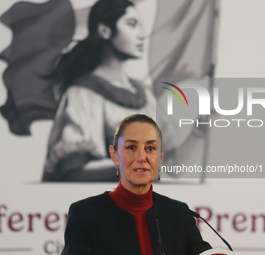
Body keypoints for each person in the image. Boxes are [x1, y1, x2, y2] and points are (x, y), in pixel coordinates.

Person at [42, 0, 165, 182]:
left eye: (140, 26)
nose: (141, 35)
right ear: (105, 31)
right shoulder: (83, 94)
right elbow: (74, 170)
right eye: (131, 25)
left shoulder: (144, 93)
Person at [61, 114, 212, 255]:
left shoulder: (179, 214)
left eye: (150, 148)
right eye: (131, 147)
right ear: (114, 155)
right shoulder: (85, 214)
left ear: (160, 157)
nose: (141, 157)